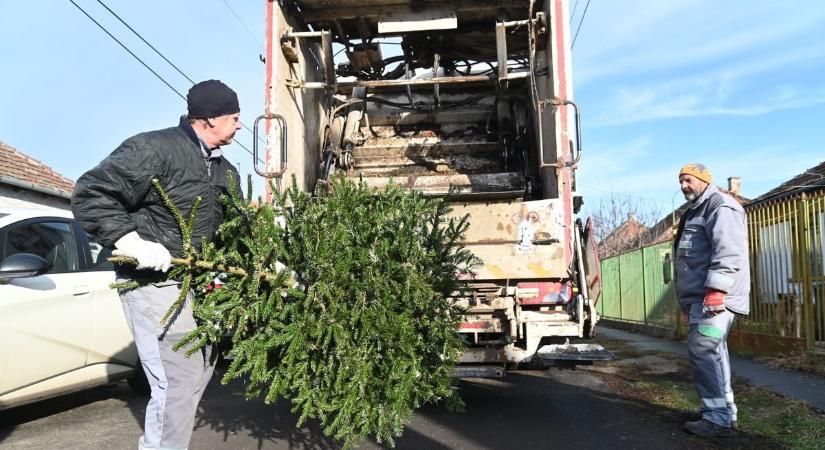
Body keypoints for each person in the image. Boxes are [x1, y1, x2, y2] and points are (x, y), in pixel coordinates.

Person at [72, 79, 242, 450]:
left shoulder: (225, 171)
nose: (240, 125)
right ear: (209, 120)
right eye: (234, 117)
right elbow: (91, 193)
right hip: (153, 284)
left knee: (200, 370)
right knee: (177, 376)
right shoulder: (153, 148)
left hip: (200, 286)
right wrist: (129, 240)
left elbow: (233, 230)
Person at [674, 163, 750, 438]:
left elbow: (729, 253)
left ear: (705, 181)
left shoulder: (720, 206)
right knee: (713, 352)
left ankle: (716, 420)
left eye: (689, 180)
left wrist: (716, 291)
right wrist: (688, 303)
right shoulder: (696, 211)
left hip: (715, 299)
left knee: (704, 350)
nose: (683, 185)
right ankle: (723, 414)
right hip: (702, 300)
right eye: (680, 181)